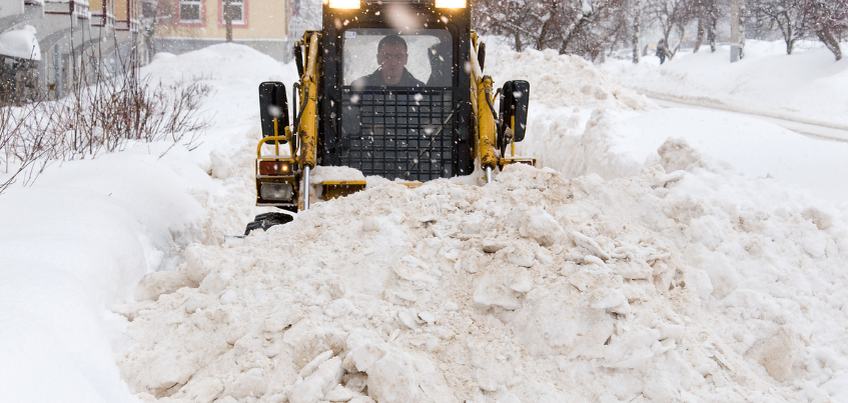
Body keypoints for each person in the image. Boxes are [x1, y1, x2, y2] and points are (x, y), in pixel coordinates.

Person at [352, 35, 425, 88]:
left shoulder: (420, 90)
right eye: (387, 57)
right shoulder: (360, 87)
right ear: (378, 59)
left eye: (398, 57)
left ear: (406, 59)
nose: (393, 62)